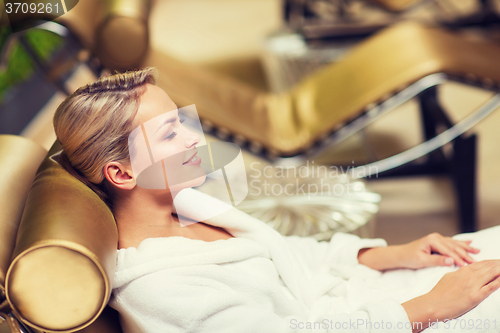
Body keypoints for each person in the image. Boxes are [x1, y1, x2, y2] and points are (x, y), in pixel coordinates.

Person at [53, 68, 500, 333]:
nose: (195, 137)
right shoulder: (163, 291)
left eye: (183, 121)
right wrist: (431, 306)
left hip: (364, 300)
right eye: (171, 132)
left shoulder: (188, 209)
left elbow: (290, 257)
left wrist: (391, 254)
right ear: (122, 172)